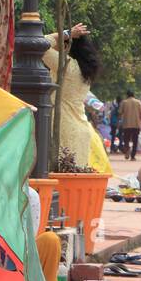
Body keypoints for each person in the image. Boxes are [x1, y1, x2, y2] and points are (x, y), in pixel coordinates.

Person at [45, 22, 110, 173]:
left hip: (63, 127)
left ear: (68, 46)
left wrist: (67, 33)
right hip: (81, 128)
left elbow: (40, 44)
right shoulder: (83, 70)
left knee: (60, 179)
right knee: (75, 178)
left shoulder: (66, 65)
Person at [118, 90, 141, 161]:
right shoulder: (138, 102)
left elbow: (120, 113)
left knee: (126, 140)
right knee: (135, 141)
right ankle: (133, 156)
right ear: (133, 95)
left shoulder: (124, 102)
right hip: (136, 125)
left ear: (127, 95)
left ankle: (127, 151)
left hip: (126, 125)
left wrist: (118, 122)